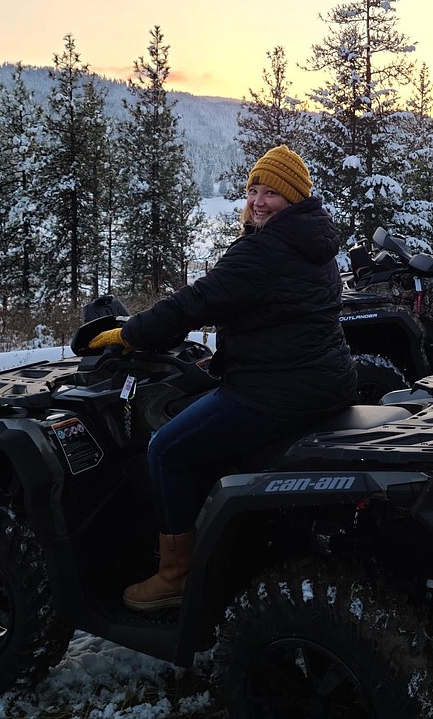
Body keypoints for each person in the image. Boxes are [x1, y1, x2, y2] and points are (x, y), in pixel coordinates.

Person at [88, 144, 357, 611]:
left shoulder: (267, 249)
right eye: (253, 189)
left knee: (167, 449)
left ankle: (176, 574)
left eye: (272, 192)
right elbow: (279, 316)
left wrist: (129, 334)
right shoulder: (313, 243)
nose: (258, 201)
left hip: (276, 393)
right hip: (324, 381)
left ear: (294, 198)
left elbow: (197, 301)